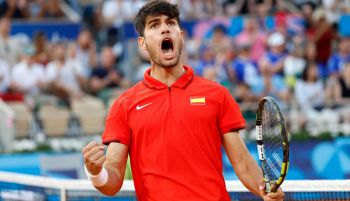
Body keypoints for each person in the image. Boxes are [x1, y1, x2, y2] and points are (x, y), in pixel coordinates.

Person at [82, 1, 284, 201]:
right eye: (154, 25)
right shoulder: (124, 104)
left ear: (181, 35)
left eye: (170, 23)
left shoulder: (217, 94)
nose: (164, 29)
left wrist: (265, 190)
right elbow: (113, 180)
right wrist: (96, 173)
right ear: (142, 43)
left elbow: (243, 163)